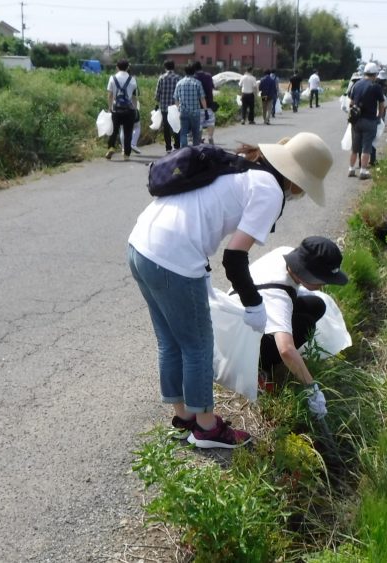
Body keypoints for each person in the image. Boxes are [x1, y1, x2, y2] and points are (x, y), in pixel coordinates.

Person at [127, 132, 334, 449]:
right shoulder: (269, 190)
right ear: (297, 178)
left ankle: (184, 419)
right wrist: (254, 305)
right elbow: (235, 257)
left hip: (140, 245)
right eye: (304, 187)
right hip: (175, 257)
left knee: (170, 340)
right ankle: (207, 430)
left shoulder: (243, 168)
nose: (300, 194)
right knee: (197, 346)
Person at [241, 237, 349, 419]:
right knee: (304, 325)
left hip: (249, 318)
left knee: (316, 305)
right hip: (241, 345)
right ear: (307, 273)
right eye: (322, 279)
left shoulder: (286, 255)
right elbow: (286, 350)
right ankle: (258, 369)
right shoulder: (279, 296)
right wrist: (312, 388)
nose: (324, 284)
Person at [347, 63, 385, 180]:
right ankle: (363, 170)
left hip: (356, 121)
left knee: (354, 147)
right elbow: (382, 104)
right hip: (369, 120)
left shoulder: (357, 84)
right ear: (375, 74)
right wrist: (379, 117)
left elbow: (351, 103)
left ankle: (351, 169)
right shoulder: (376, 87)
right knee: (366, 147)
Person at [105, 59, 138, 161]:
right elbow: (134, 97)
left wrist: (110, 107)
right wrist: (135, 109)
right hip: (129, 110)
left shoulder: (112, 78)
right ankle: (126, 154)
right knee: (128, 132)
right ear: (128, 67)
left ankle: (111, 147)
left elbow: (110, 95)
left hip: (116, 109)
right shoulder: (132, 79)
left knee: (114, 131)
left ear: (117, 67)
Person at [173, 62, 206, 147]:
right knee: (196, 133)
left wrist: (178, 108)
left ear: (185, 71)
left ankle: (184, 152)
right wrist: (205, 110)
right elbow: (202, 98)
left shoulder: (179, 83)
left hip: (183, 111)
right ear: (194, 71)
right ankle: (196, 152)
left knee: (183, 133)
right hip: (195, 112)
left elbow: (176, 98)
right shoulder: (197, 83)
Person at [154, 60, 181, 153]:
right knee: (176, 126)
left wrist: (157, 102)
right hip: (175, 107)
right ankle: (177, 146)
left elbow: (157, 94)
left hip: (164, 107)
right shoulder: (178, 78)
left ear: (165, 67)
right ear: (174, 67)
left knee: (166, 127)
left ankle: (168, 148)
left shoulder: (161, 78)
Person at [193, 62, 217, 144]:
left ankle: (199, 139)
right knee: (211, 121)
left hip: (197, 105)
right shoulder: (208, 76)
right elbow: (213, 87)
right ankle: (210, 137)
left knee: (198, 123)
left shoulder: (194, 77)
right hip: (209, 103)